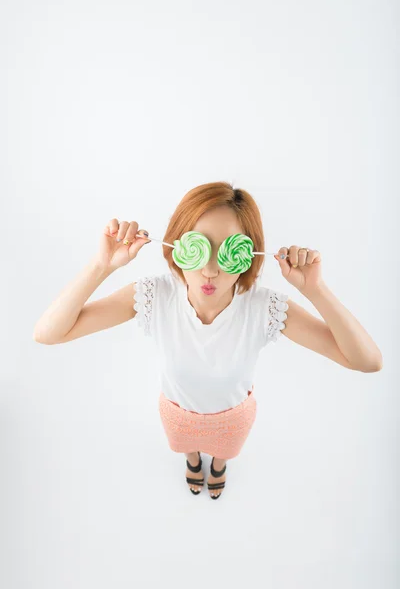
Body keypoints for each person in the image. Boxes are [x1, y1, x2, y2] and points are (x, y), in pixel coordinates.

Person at [33, 181, 383, 500]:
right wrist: (101, 266)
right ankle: (192, 459)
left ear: (250, 257)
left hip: (233, 418)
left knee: (225, 449)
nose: (211, 269)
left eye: (229, 250)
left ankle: (217, 465)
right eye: (197, 248)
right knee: (183, 443)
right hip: (176, 413)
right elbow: (49, 333)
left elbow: (367, 361)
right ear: (174, 245)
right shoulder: (155, 296)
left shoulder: (264, 308)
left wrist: (315, 290)